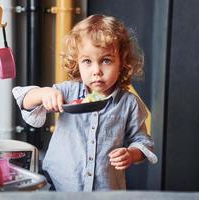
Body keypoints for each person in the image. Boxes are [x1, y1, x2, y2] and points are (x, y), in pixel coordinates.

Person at [12, 14, 157, 191]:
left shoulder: (129, 103)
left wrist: (131, 154)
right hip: (59, 186)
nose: (96, 71)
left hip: (105, 190)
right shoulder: (67, 91)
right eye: (87, 61)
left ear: (122, 63)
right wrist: (44, 94)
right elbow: (24, 99)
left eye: (106, 60)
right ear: (77, 63)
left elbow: (143, 141)